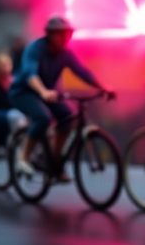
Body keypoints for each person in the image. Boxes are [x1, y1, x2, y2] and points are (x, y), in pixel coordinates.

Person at [8, 16, 114, 180]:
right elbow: (31, 73)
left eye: (67, 34)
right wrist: (43, 91)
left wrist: (103, 87)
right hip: (24, 92)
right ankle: (23, 157)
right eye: (59, 34)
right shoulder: (35, 49)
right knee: (42, 117)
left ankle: (55, 163)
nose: (64, 38)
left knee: (67, 117)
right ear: (49, 34)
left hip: (47, 93)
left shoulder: (65, 53)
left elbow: (82, 72)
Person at [0, 51, 27, 149]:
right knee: (14, 116)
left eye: (8, 64)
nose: (5, 68)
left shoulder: (14, 81)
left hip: (12, 112)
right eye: (2, 65)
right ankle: (18, 146)